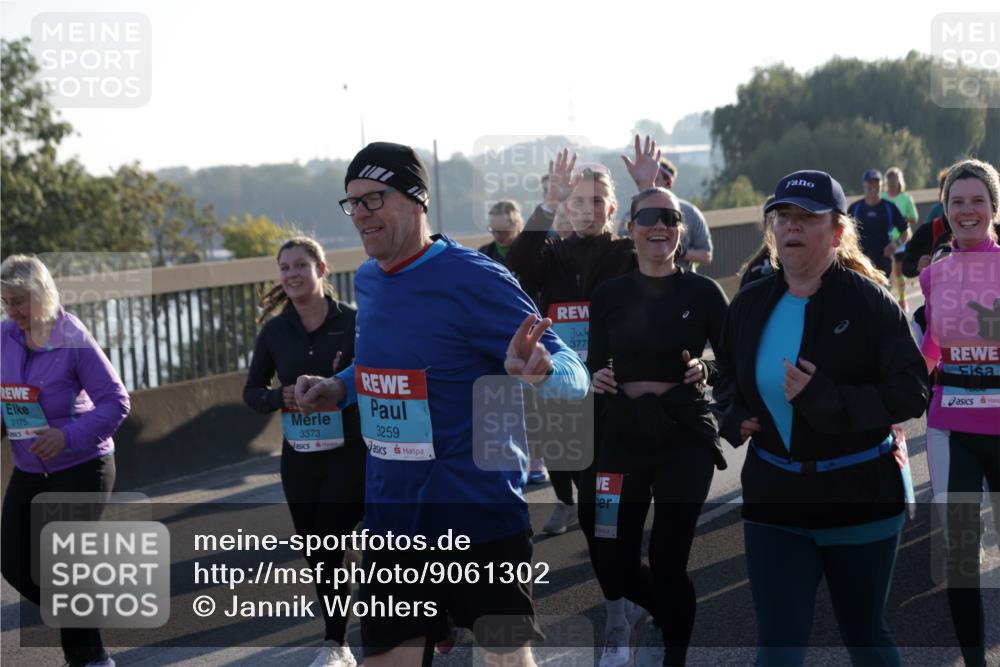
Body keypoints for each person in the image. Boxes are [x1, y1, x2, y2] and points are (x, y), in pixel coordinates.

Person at [294, 141, 589, 667]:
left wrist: (542, 372)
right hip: (392, 524)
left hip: (479, 519)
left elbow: (575, 374)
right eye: (352, 203)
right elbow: (381, 364)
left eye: (373, 199)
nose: (360, 213)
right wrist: (339, 387)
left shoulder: (474, 278)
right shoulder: (368, 279)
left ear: (415, 200)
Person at [714, 171, 929, 666]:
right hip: (774, 502)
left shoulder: (869, 300)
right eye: (783, 216)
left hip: (859, 497)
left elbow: (911, 391)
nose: (792, 226)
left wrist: (827, 399)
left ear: (836, 233)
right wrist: (734, 412)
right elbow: (726, 373)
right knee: (777, 648)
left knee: (865, 636)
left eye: (806, 218)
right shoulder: (750, 303)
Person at [588, 186, 729, 667]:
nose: (660, 226)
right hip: (623, 435)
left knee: (669, 562)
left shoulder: (704, 292)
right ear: (629, 229)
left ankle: (675, 654)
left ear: (680, 230)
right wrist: (595, 375)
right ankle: (670, 613)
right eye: (648, 217)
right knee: (613, 561)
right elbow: (592, 363)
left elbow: (730, 364)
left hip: (683, 435)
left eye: (670, 217)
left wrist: (705, 370)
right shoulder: (608, 295)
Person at [1, 255, 130, 667]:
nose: (13, 311)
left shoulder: (72, 335)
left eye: (19, 300)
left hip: (83, 464)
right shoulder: (4, 336)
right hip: (29, 467)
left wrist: (66, 436)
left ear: (42, 294)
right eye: (6, 302)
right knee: (13, 562)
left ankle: (90, 659)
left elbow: (116, 402)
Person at [243, 237, 365, 667]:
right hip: (300, 456)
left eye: (300, 265)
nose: (291, 274)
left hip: (351, 451)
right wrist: (284, 398)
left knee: (333, 533)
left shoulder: (353, 321)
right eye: (284, 268)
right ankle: (338, 641)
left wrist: (337, 391)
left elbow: (372, 376)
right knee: (318, 549)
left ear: (322, 269)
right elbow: (252, 392)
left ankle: (337, 640)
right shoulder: (275, 331)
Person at [507, 148, 638, 542]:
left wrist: (648, 189)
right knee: (570, 475)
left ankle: (615, 551)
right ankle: (575, 509)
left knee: (605, 491)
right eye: (578, 201)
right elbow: (517, 261)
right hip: (560, 383)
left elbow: (667, 256)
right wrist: (547, 204)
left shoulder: (626, 253)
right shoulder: (554, 254)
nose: (588, 209)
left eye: (597, 201)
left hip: (608, 385)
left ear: (612, 208)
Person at [918, 158, 1000, 667]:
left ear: (994, 207)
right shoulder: (934, 276)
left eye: (976, 201)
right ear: (945, 210)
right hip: (951, 430)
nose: (966, 210)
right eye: (956, 202)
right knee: (961, 559)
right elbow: (931, 352)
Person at [649, 154, 713, 271]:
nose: (651, 183)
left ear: (668, 183)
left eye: (655, 179)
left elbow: (706, 255)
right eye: (648, 179)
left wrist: (680, 252)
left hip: (685, 284)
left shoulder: (690, 213)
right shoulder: (632, 214)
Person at [847, 169, 908, 281]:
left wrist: (895, 244)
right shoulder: (855, 208)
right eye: (870, 182)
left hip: (883, 262)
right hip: (859, 262)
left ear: (882, 185)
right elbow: (844, 234)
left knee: (880, 296)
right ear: (864, 185)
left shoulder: (889, 207)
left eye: (876, 182)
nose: (873, 186)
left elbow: (905, 232)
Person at [883, 166, 919, 310]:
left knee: (897, 271)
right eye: (889, 181)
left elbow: (914, 218)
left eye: (894, 181)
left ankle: (902, 300)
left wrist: (903, 219)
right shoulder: (883, 198)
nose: (892, 184)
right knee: (885, 271)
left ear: (899, 181)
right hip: (885, 239)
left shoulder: (906, 198)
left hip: (901, 239)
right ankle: (886, 299)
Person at [739, 196, 777, 288]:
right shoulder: (756, 269)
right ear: (764, 225)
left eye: (783, 217)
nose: (776, 225)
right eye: (772, 220)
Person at [478, 199, 524, 268]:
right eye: (493, 230)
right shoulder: (484, 254)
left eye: (502, 230)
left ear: (515, 225)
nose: (497, 235)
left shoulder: (532, 251)